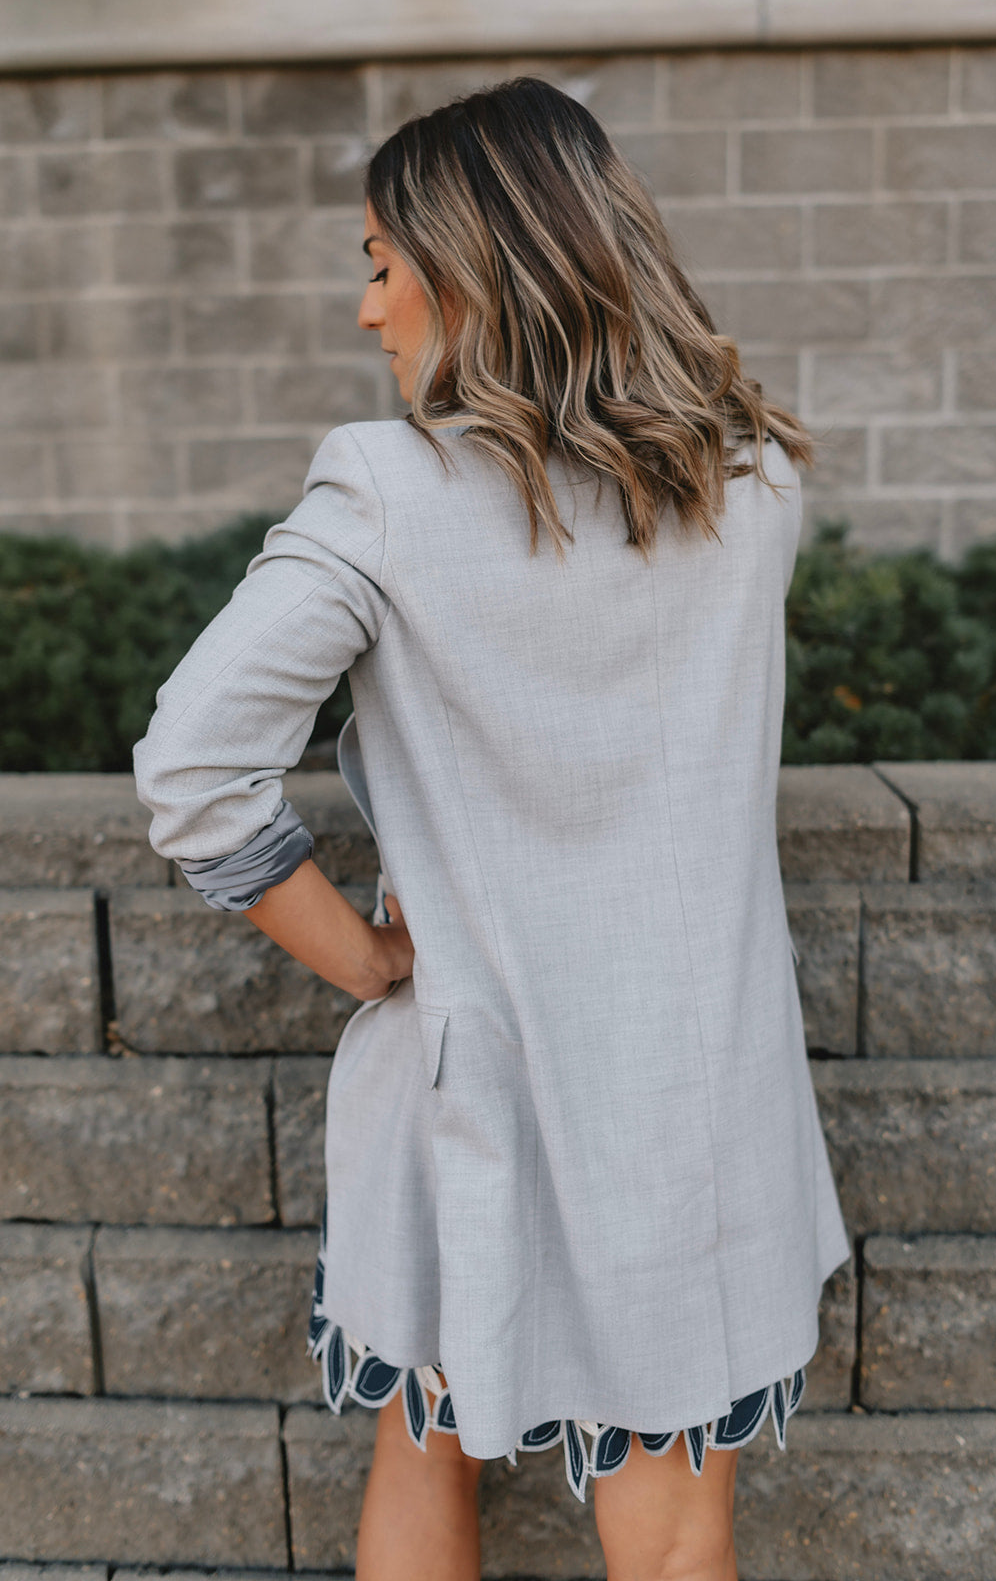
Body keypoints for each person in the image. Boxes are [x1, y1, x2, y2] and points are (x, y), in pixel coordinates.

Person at [133, 76, 851, 1581]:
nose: (366, 309)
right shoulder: (753, 478)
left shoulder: (387, 494)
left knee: (426, 1451)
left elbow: (195, 764)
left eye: (381, 263)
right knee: (674, 1541)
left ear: (474, 269)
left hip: (475, 1080)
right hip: (693, 1098)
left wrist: (364, 961)